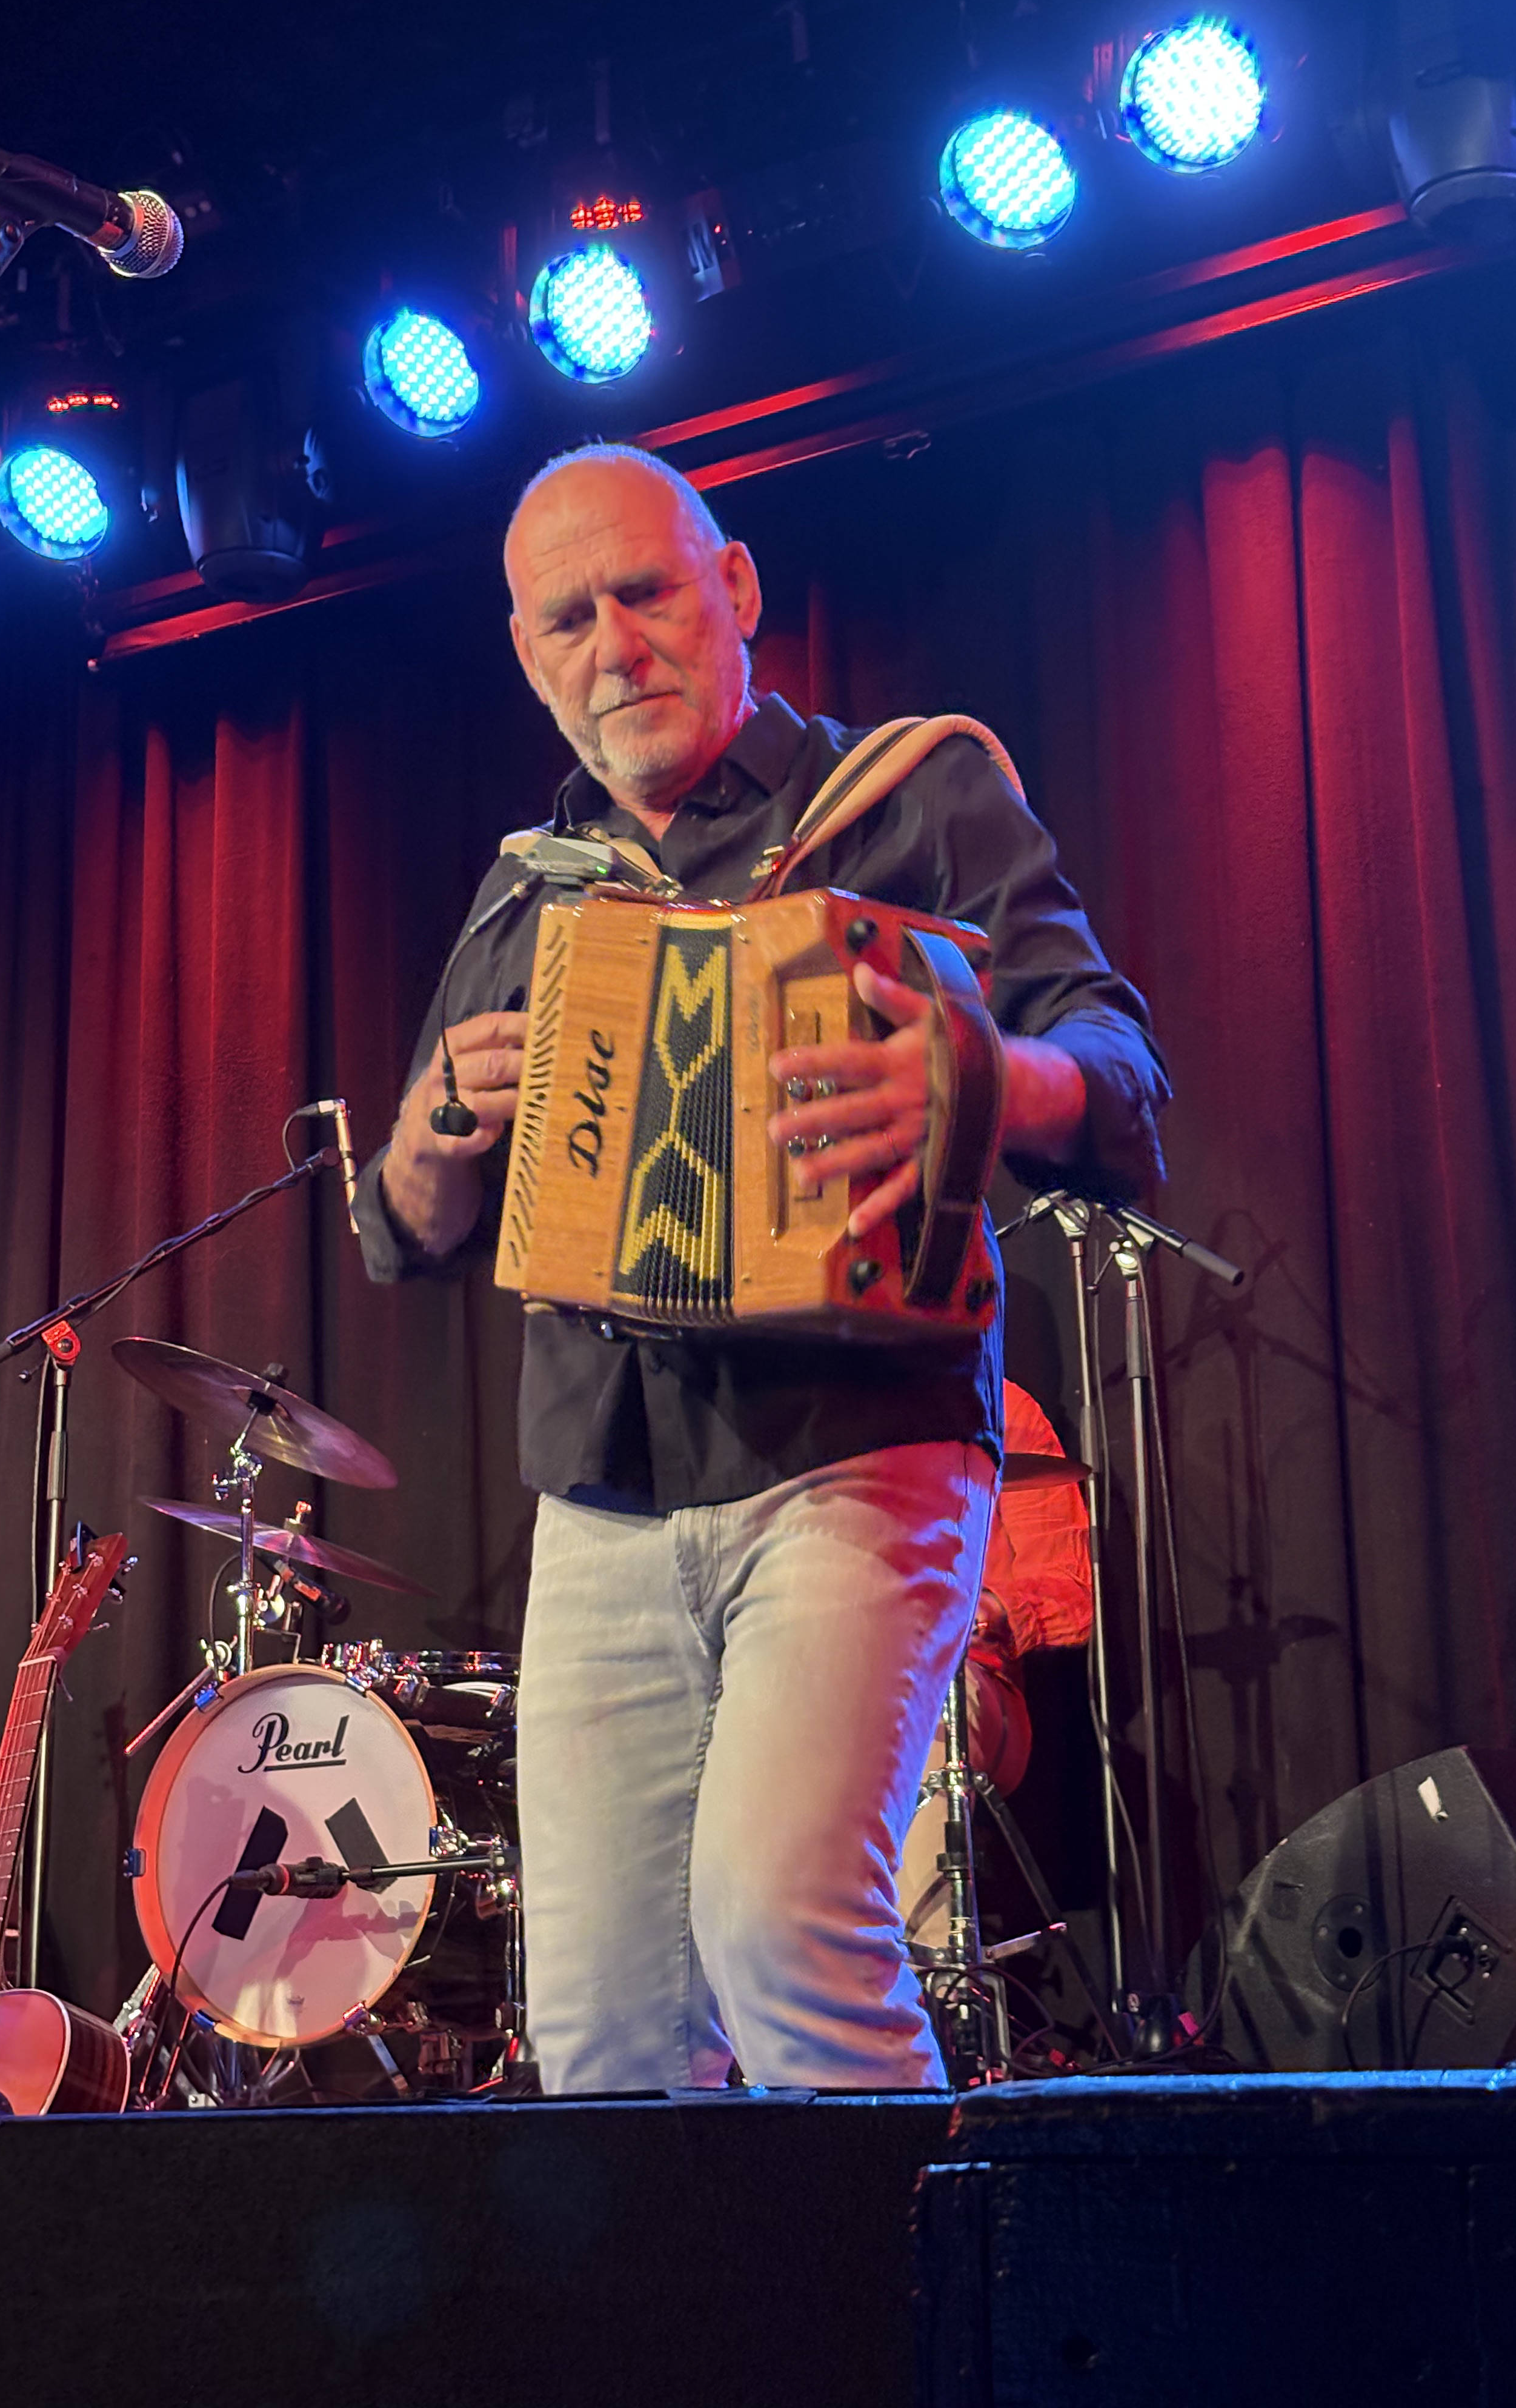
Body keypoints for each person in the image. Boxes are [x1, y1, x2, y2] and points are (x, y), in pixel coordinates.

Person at [353, 442, 1168, 2093]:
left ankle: (915, 2264)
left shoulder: (909, 795)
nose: (614, 647)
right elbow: (401, 1226)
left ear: (732, 588)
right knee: (601, 2038)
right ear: (528, 656)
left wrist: (981, 1078)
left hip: (856, 1448)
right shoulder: (529, 890)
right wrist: (439, 1119)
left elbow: (1119, 1073)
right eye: (568, 620)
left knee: (783, 1925)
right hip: (603, 1489)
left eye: (644, 593)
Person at [896, 1377, 1093, 1950]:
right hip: (841, 1680)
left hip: (972, 1684)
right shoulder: (814, 1405)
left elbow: (1072, 1593)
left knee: (913, 1712)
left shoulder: (1000, 1406)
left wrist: (992, 1609)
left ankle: (936, 1983)